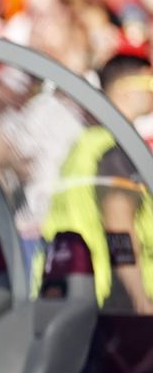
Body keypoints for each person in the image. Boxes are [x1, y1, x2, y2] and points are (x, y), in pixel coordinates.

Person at [42, 53, 153, 313]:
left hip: (82, 281)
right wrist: (141, 300)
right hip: (121, 295)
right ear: (124, 89)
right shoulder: (118, 149)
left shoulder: (89, 143)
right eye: (148, 84)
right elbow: (119, 229)